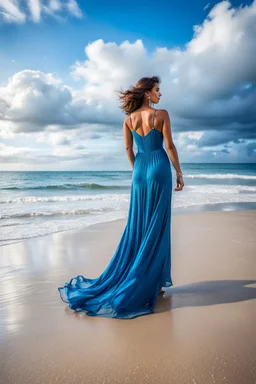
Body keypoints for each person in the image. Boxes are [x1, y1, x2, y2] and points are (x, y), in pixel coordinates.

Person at [58, 76, 184, 319]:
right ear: (147, 93)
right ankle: (152, 282)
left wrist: (137, 169)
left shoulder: (128, 120)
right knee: (157, 226)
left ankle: (145, 279)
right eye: (158, 90)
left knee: (139, 225)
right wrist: (178, 172)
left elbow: (128, 149)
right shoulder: (161, 115)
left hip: (140, 171)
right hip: (159, 168)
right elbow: (169, 146)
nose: (160, 94)